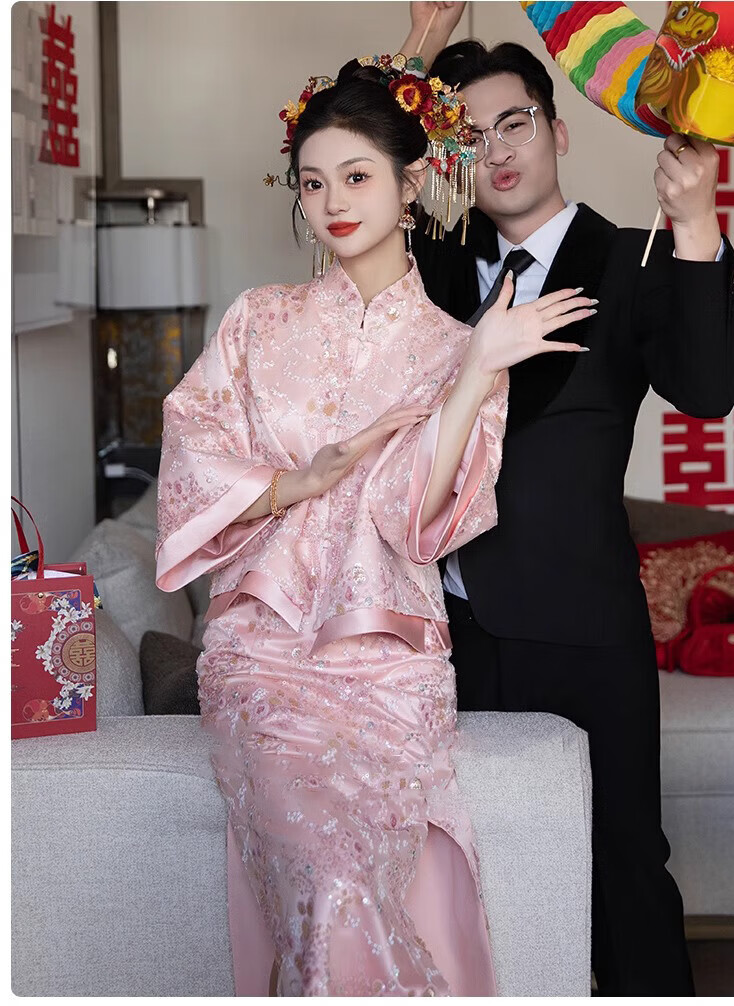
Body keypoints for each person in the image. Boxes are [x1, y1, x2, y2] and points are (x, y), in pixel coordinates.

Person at [155, 53, 594, 997]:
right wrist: (295, 482)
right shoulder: (256, 322)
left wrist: (478, 371)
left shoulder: (454, 346)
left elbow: (416, 519)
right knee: (327, 880)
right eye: (313, 183)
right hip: (261, 659)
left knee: (351, 879)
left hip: (389, 672)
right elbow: (192, 457)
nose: (332, 203)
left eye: (357, 177)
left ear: (412, 184)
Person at [398, 2, 734, 996]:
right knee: (461, 876)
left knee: (623, 862)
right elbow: (347, 160)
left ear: (558, 130)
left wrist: (697, 224)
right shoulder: (428, 268)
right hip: (441, 631)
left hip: (584, 628)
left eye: (514, 122)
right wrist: (419, 48)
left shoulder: (635, 260)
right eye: (471, 134)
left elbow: (708, 389)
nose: (498, 150)